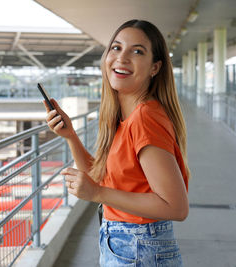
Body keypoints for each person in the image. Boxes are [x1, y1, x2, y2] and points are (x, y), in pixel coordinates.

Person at [44, 19, 189, 267]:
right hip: (125, 243)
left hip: (139, 248)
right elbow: (100, 178)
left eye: (137, 51)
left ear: (155, 67)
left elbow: (176, 207)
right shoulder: (125, 116)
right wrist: (70, 135)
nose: (122, 58)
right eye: (116, 47)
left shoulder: (144, 119)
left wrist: (98, 194)